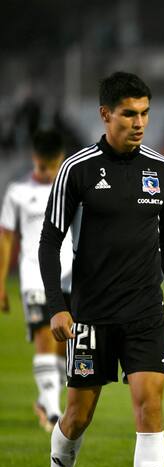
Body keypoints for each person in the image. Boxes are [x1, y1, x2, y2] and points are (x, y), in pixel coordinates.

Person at [39, 72, 164, 467]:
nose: (139, 122)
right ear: (105, 114)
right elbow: (49, 241)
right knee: (78, 416)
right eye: (128, 113)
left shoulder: (163, 171)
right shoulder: (77, 169)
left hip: (145, 312)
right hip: (91, 315)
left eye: (145, 113)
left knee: (150, 406)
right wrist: (57, 305)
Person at [0, 130, 73, 432]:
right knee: (45, 337)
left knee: (64, 345)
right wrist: (1, 283)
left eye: (52, 166)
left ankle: (45, 400)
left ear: (61, 159)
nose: (47, 172)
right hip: (33, 277)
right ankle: (54, 413)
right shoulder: (17, 193)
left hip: (70, 277)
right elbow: (6, 237)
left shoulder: (69, 188)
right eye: (43, 166)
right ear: (34, 159)